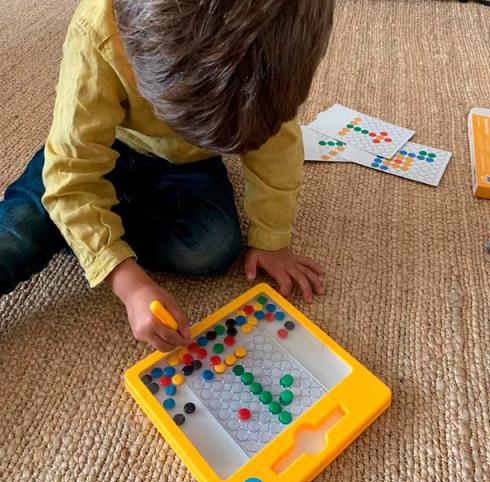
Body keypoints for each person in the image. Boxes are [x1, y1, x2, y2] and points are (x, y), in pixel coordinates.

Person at [0, 0, 335, 351]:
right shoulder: (97, 32)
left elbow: (277, 151)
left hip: (188, 162)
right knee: (19, 230)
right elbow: (73, 168)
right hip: (101, 145)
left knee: (210, 248)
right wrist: (129, 282)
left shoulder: (275, 59)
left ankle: (79, 221)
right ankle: (75, 217)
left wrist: (272, 239)